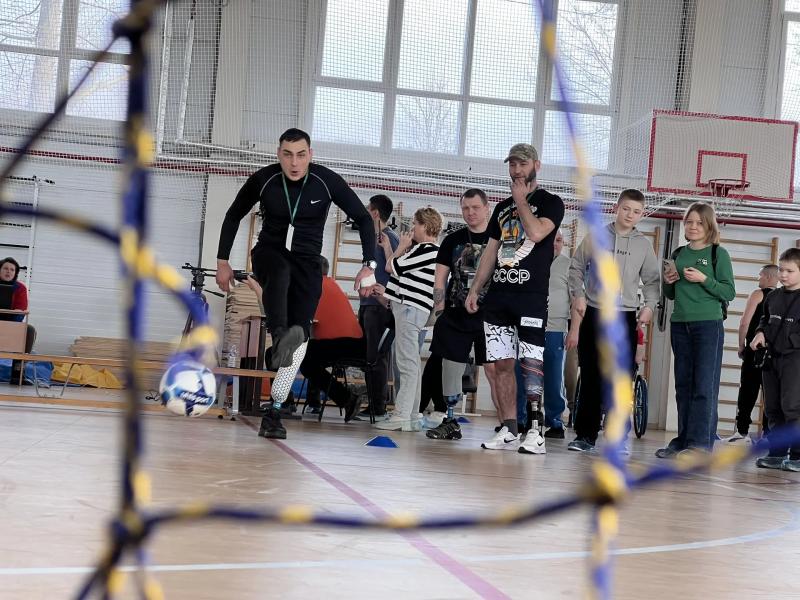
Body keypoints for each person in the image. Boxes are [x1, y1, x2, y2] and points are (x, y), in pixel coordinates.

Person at [215, 128, 376, 439]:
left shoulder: (326, 182)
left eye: (301, 155)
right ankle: (279, 339)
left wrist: (368, 266)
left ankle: (274, 409)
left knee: (300, 341)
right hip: (270, 252)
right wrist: (223, 261)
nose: (294, 162)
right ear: (279, 154)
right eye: (287, 154)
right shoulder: (264, 180)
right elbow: (234, 215)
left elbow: (364, 218)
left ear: (310, 155)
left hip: (307, 262)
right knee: (279, 272)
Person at [465, 143, 564, 454]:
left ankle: (536, 431)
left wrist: (522, 201)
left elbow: (535, 234)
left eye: (522, 165)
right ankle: (509, 428)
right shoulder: (502, 207)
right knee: (500, 365)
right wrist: (475, 288)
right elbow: (491, 251)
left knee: (531, 362)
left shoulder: (551, 202)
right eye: (512, 165)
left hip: (531, 296)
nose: (517, 171)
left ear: (536, 165)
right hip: (500, 296)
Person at [566, 189, 660, 453]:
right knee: (592, 375)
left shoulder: (643, 245)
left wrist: (650, 306)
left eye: (637, 212)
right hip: (595, 311)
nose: (631, 215)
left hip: (626, 315)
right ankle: (585, 435)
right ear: (617, 207)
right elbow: (575, 269)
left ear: (642, 215)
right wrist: (578, 296)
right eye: (627, 209)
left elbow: (652, 281)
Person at [656, 202, 735, 458]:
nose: (693, 226)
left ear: (709, 225)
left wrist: (704, 279)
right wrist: (668, 283)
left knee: (704, 385)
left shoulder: (717, 254)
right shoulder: (679, 254)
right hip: (680, 324)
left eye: (699, 222)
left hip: (708, 325)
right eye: (689, 221)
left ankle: (700, 444)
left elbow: (728, 291)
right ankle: (683, 440)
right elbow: (670, 294)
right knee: (683, 385)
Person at [426, 188, 498, 441]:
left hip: (489, 316)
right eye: (466, 208)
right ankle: (450, 419)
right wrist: (440, 309)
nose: (470, 213)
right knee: (450, 367)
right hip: (455, 314)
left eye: (476, 207)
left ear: (488, 207)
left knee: (495, 370)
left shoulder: (499, 241)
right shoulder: (452, 240)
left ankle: (509, 425)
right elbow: (439, 279)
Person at [371, 207, 442, 432]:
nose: (412, 229)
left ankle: (402, 414)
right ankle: (411, 415)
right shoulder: (424, 250)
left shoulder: (427, 250)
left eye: (415, 224)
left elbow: (390, 266)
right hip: (408, 308)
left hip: (410, 309)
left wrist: (401, 246)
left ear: (425, 226)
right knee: (410, 363)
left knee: (407, 364)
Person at [750, 248, 800, 472]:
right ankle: (777, 453)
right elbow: (764, 320)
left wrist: (789, 340)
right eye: (781, 269)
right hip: (771, 360)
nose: (784, 275)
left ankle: (797, 456)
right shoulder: (773, 296)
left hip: (794, 360)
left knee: (792, 407)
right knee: (773, 408)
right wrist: (760, 333)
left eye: (790, 270)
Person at [297, 257, 363, 420]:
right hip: (356, 343)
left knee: (305, 358)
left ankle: (346, 399)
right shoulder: (333, 284)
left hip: (342, 344)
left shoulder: (313, 288)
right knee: (309, 354)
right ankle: (315, 401)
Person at [724, 264, 778, 444]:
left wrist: (741, 345)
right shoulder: (782, 297)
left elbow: (744, 322)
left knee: (748, 390)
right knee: (770, 393)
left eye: (761, 275)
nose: (758, 278)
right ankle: (769, 435)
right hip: (775, 352)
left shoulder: (758, 294)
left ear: (770, 277)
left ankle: (741, 432)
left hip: (755, 349)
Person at [356, 194, 399, 419]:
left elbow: (396, 271)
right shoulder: (372, 238)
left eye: (367, 209)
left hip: (379, 307)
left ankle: (378, 407)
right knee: (369, 357)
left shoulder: (389, 239)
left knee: (377, 357)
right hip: (367, 304)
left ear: (374, 213)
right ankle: (373, 404)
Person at [542, 229, 570, 438]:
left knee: (553, 377)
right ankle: (522, 420)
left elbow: (578, 300)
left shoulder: (568, 265)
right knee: (523, 374)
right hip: (530, 328)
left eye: (559, 240)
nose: (555, 244)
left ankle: (555, 422)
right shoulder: (532, 261)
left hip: (556, 328)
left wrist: (574, 329)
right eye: (551, 240)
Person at [0, 257, 36, 353]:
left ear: (15, 273)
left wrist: (8, 326)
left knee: (30, 330)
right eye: (5, 268)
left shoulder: (20, 288)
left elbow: (20, 311)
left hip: (11, 324)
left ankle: (19, 364)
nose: (8, 272)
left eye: (12, 269)